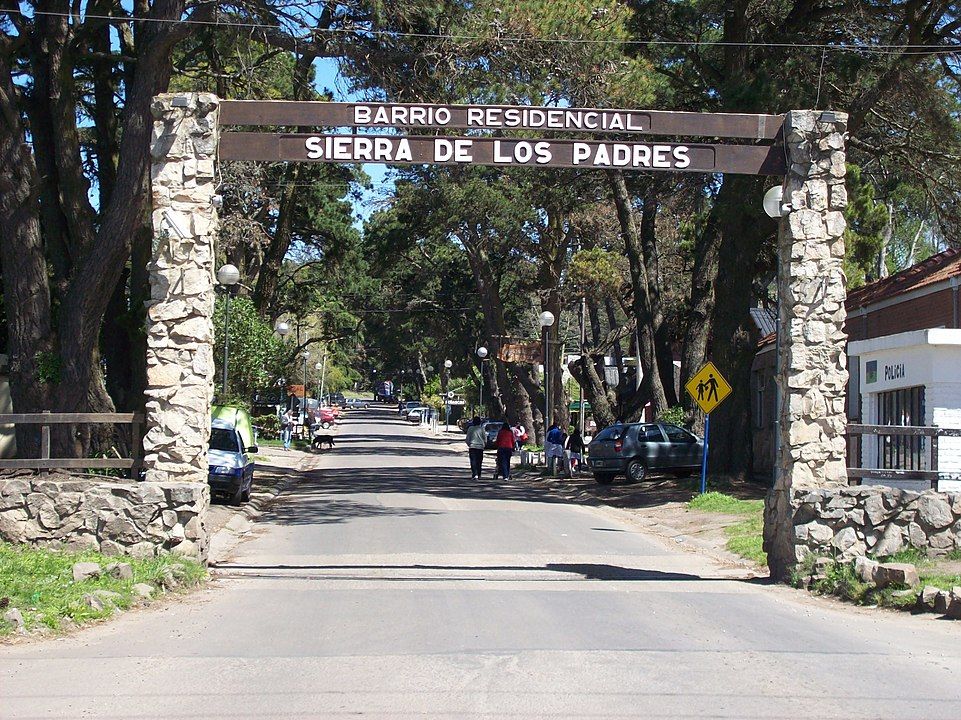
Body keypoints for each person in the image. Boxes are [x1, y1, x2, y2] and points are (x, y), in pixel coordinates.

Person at [465, 416, 487, 481]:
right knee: (479, 461)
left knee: (473, 461)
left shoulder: (470, 428)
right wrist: (484, 444)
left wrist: (469, 444)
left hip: (472, 446)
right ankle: (479, 474)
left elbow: (467, 438)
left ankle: (475, 474)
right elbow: (485, 438)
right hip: (480, 447)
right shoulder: (482, 429)